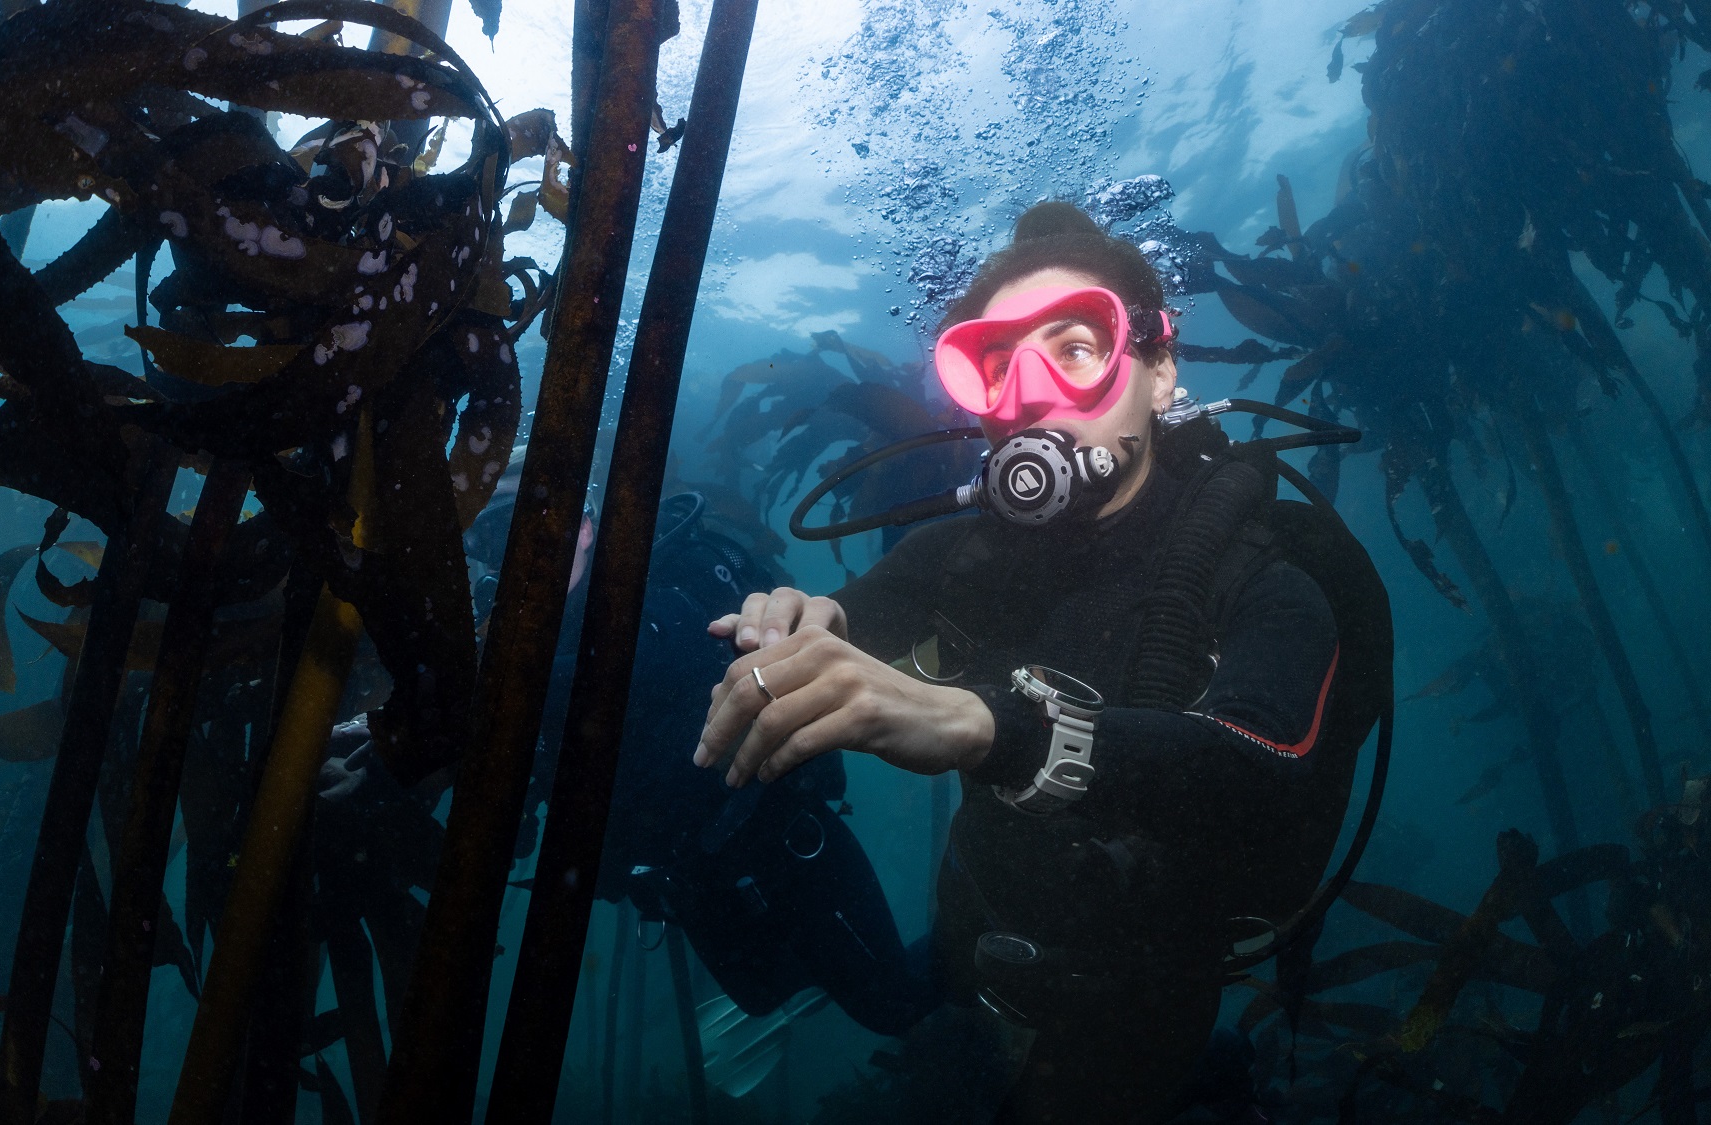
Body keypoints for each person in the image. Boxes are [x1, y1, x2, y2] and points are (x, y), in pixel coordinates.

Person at [695, 202, 1368, 1123]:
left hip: (1136, 1005)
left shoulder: (1258, 578)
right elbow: (858, 617)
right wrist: (801, 621)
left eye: (1077, 349)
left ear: (1161, 370)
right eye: (998, 367)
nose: (1031, 394)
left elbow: (1264, 764)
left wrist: (987, 724)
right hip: (977, 941)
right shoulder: (964, 555)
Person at [320, 457, 937, 1042]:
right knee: (770, 993)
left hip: (780, 844)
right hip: (687, 884)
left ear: (587, 525)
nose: (519, 552)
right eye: (490, 540)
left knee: (891, 1005)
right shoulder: (499, 647)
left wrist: (443, 706)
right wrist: (382, 771)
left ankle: (991, 953)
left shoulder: (658, 582)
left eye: (531, 523)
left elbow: (636, 662)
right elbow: (486, 772)